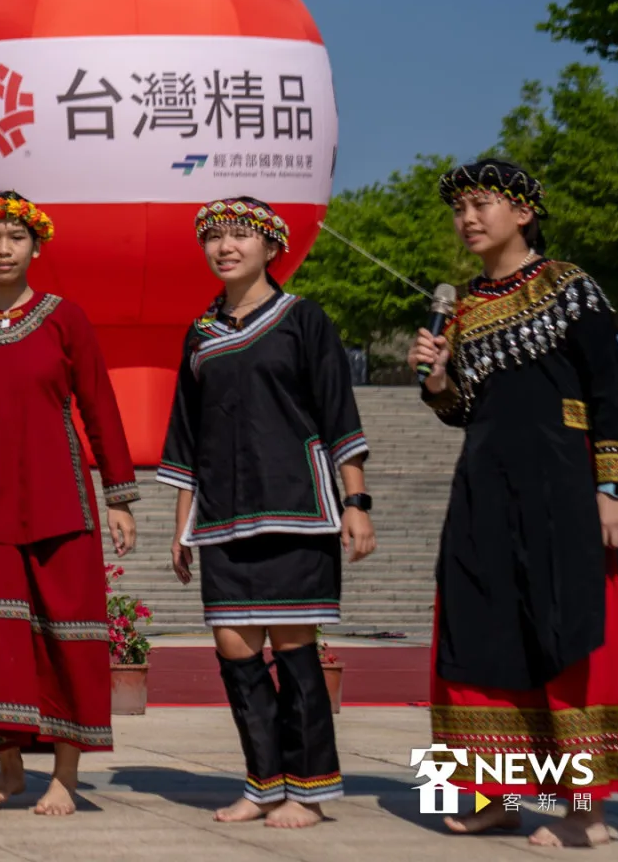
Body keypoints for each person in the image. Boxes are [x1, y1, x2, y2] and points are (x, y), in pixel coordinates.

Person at [408, 161, 618, 848]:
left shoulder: (572, 287)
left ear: (524, 213)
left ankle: (588, 812)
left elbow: (609, 393)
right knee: (471, 632)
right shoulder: (467, 305)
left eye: (482, 205)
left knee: (570, 635)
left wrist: (612, 489)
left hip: (564, 485)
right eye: (460, 210)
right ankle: (488, 797)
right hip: (482, 487)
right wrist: (440, 378)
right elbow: (460, 410)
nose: (468, 219)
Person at [160, 197, 376, 828]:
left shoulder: (303, 320)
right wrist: (181, 527)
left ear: (271, 247)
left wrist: (356, 503)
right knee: (233, 647)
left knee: (292, 644)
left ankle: (307, 789)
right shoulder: (200, 335)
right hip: (222, 514)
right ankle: (262, 783)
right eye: (215, 238)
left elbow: (340, 415)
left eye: (240, 236)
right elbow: (184, 438)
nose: (226, 247)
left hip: (297, 510)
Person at [0, 191, 139, 816]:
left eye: (15, 238)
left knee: (68, 638)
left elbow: (99, 406)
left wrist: (118, 497)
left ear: (36, 246)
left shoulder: (63, 319)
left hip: (62, 504)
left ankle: (65, 780)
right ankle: (12, 768)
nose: (3, 249)